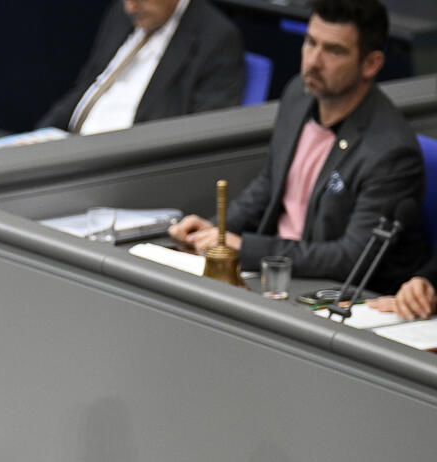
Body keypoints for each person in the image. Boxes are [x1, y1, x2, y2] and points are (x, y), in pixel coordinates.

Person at [169, 0, 430, 294]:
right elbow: (268, 186)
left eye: (333, 50)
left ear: (371, 64)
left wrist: (247, 247)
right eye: (310, 42)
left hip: (336, 291)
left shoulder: (390, 153)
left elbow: (348, 257)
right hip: (276, 273)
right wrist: (213, 232)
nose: (313, 61)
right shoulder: (299, 94)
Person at [39, 0, 245, 135]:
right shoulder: (121, 14)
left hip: (128, 164)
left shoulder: (217, 38)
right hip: (70, 143)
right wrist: (41, 135)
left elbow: (204, 133)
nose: (130, 8)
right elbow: (86, 85)